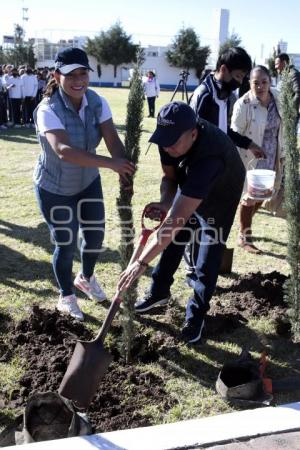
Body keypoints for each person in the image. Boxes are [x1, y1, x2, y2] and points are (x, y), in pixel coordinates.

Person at [118, 101, 245, 344]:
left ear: (193, 134)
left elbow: (176, 220)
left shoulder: (211, 157)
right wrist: (166, 202)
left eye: (173, 141)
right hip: (192, 182)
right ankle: (158, 292)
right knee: (175, 235)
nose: (167, 146)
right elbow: (170, 178)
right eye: (164, 140)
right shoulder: (169, 140)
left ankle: (196, 316)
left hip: (222, 190)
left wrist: (141, 263)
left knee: (207, 254)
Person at [33, 47, 135, 321]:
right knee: (66, 244)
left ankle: (85, 278)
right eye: (71, 75)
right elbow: (64, 150)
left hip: (88, 183)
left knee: (95, 237)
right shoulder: (47, 109)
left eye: (83, 74)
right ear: (56, 75)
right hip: (55, 188)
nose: (79, 80)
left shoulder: (97, 101)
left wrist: (124, 170)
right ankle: (66, 296)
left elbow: (112, 139)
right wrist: (111, 164)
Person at [231, 65, 284, 254]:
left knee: (263, 194)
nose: (261, 86)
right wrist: (250, 148)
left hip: (272, 153)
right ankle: (245, 237)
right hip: (251, 157)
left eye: (264, 82)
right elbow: (234, 134)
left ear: (270, 82)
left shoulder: (278, 98)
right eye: (256, 83)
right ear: (249, 83)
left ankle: (242, 226)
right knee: (249, 197)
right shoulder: (243, 104)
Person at [189, 47, 264, 157]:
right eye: (238, 76)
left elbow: (223, 130)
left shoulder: (225, 95)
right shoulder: (205, 95)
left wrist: (250, 145)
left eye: (242, 78)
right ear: (223, 69)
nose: (240, 82)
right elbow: (194, 135)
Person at [275, 53, 300, 117]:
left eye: (277, 64)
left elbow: (298, 94)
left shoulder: (293, 74)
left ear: (284, 63)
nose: (275, 67)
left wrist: (289, 111)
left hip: (290, 117)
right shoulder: (286, 75)